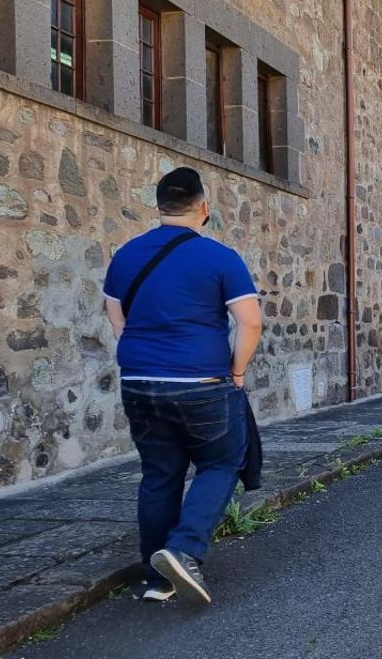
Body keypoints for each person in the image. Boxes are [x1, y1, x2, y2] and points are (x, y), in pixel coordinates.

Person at [103, 167, 264, 606]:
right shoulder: (219, 257)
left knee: (160, 473)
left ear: (160, 207)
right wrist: (237, 372)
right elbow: (250, 322)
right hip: (201, 382)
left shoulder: (127, 255)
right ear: (203, 207)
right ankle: (183, 549)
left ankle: (156, 579)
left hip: (139, 381)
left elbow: (117, 318)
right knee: (221, 463)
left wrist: (146, 355)